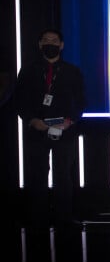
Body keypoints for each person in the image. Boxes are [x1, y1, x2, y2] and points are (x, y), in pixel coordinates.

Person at [14, 28, 86, 226]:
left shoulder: (72, 71)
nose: (50, 43)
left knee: (63, 175)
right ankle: (37, 218)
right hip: (36, 128)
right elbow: (19, 100)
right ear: (39, 45)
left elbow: (80, 101)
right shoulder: (28, 70)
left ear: (61, 45)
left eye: (54, 40)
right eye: (46, 40)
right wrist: (31, 120)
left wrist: (70, 121)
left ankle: (64, 217)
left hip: (64, 129)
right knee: (37, 174)